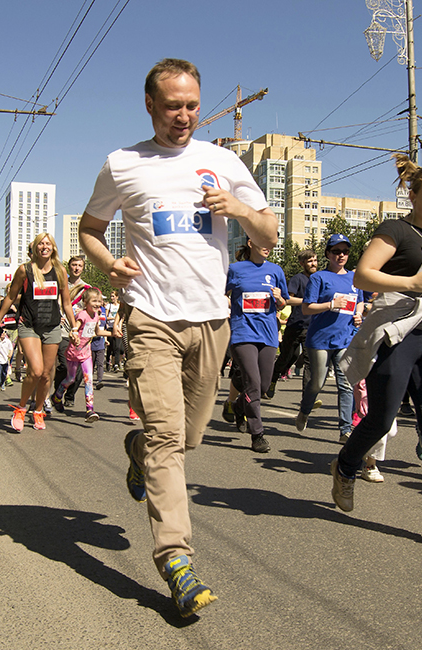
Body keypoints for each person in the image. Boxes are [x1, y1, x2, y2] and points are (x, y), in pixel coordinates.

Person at [77, 58, 278, 616]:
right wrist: (107, 263)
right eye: (172, 106)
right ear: (150, 105)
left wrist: (238, 207)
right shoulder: (123, 164)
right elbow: (90, 230)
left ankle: (137, 451)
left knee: (186, 439)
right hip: (151, 318)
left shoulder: (222, 160)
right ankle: (177, 560)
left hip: (212, 319)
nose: (184, 115)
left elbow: (270, 231)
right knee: (169, 439)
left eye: (191, 105)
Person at [334, 154, 422, 545]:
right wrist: (413, 282)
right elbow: (365, 274)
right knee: (380, 420)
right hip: (397, 335)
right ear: (412, 196)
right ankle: (346, 466)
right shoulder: (395, 229)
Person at [0, 232, 77, 431]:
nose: (44, 246)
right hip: (29, 325)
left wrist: (74, 327)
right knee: (36, 371)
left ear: (53, 248)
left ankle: (38, 411)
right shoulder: (25, 270)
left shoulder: (60, 271)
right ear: (35, 248)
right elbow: (10, 297)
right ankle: (21, 408)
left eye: (48, 243)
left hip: (52, 326)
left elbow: (66, 302)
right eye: (41, 243)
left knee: (47, 374)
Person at [295, 233, 362, 442]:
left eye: (345, 251)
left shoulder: (354, 277)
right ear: (328, 254)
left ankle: (345, 429)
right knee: (317, 383)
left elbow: (359, 300)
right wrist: (331, 305)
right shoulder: (319, 278)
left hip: (345, 337)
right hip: (320, 339)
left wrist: (358, 313)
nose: (341, 255)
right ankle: (305, 410)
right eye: (336, 251)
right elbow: (306, 309)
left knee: (345, 384)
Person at [225, 236, 288, 453]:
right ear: (251, 242)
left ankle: (239, 406)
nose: (268, 247)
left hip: (268, 334)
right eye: (264, 242)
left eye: (271, 244)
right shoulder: (235, 269)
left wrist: (280, 298)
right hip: (243, 333)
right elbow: (219, 293)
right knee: (252, 382)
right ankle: (257, 434)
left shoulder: (276, 271)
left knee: (262, 387)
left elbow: (283, 302)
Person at [53, 287, 111, 422]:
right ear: (85, 302)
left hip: (86, 354)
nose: (97, 304)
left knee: (88, 380)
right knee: (70, 379)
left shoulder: (96, 316)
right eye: (94, 301)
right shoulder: (82, 315)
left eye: (99, 301)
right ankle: (57, 397)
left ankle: (89, 410)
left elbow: (98, 332)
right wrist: (74, 336)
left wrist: (113, 334)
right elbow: (74, 329)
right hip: (74, 353)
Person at [268, 249, 317, 398]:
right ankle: (272, 380)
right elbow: (287, 299)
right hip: (296, 325)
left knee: (311, 363)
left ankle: (307, 398)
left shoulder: (319, 279)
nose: (313, 263)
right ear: (302, 263)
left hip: (313, 327)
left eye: (315, 260)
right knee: (286, 357)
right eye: (310, 261)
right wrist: (307, 302)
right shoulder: (298, 279)